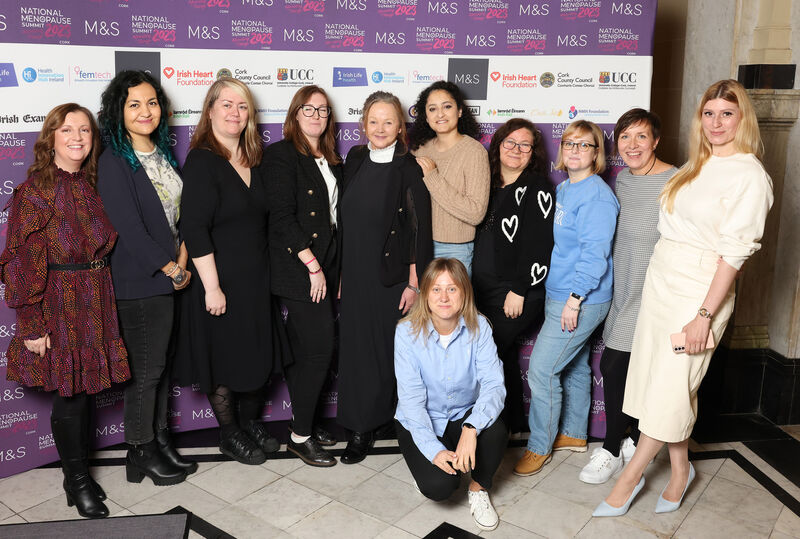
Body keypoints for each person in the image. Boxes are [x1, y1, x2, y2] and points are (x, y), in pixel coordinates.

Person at [594, 80, 773, 516]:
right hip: (661, 281)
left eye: (726, 114)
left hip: (698, 291)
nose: (716, 122)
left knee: (673, 385)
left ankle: (630, 477)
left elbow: (735, 255)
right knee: (661, 381)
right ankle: (680, 470)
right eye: (708, 113)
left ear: (742, 119)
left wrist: (704, 315)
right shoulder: (697, 164)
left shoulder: (751, 174)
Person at [0, 104, 130, 518]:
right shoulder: (35, 190)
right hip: (58, 298)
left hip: (96, 295)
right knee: (70, 396)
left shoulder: (93, 184)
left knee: (88, 391)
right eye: (67, 130)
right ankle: (76, 482)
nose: (77, 137)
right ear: (50, 138)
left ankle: (81, 472)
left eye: (85, 131)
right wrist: (32, 325)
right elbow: (18, 262)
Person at [97, 70, 196, 486]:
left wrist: (183, 258)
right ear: (119, 111)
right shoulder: (114, 161)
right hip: (140, 281)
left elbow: (179, 217)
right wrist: (171, 268)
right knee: (147, 373)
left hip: (170, 276)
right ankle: (139, 451)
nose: (145, 111)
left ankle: (157, 440)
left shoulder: (162, 153)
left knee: (161, 368)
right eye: (134, 104)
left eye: (152, 102)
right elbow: (129, 228)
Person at [176, 77, 278, 466]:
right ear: (210, 111)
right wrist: (212, 287)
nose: (235, 112)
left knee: (255, 354)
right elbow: (194, 228)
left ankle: (249, 422)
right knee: (225, 358)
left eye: (242, 106)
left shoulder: (254, 159)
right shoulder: (203, 161)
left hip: (256, 279)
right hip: (219, 279)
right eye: (226, 104)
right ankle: (229, 432)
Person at [513, 120, 619, 477]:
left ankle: (539, 445)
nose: (575, 150)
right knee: (573, 365)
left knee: (543, 369)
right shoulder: (567, 188)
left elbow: (594, 255)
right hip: (559, 291)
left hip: (581, 297)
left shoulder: (597, 196)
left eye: (584, 145)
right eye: (569, 143)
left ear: (596, 153)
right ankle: (574, 434)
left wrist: (575, 299)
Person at [577, 109, 677, 484]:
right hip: (623, 289)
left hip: (655, 292)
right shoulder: (622, 181)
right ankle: (634, 438)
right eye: (625, 137)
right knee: (630, 369)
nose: (632, 145)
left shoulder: (677, 180)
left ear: (656, 141)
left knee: (615, 366)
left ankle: (611, 448)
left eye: (641, 137)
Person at [337, 91, 433, 464]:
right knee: (356, 351)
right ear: (363, 124)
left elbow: (418, 228)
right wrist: (341, 271)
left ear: (400, 128)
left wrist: (414, 282)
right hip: (354, 271)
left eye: (388, 121)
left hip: (390, 276)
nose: (380, 128)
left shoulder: (409, 167)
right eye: (373, 121)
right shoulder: (355, 158)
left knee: (383, 352)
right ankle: (359, 425)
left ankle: (378, 423)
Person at [394, 258, 507, 532]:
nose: (444, 297)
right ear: (425, 294)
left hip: (462, 413)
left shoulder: (480, 326)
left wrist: (471, 427)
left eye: (452, 289)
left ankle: (479, 489)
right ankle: (427, 471)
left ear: (464, 292)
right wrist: (434, 451)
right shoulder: (406, 333)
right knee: (440, 487)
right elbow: (411, 402)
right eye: (436, 289)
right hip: (421, 419)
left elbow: (494, 385)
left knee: (497, 429)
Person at [262, 85, 342, 467]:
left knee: (302, 352)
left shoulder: (329, 157)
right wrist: (312, 266)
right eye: (308, 109)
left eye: (323, 110)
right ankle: (300, 437)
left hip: (326, 265)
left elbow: (333, 220)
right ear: (294, 114)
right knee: (319, 349)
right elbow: (281, 217)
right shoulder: (281, 155)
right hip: (300, 267)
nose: (316, 115)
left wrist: (332, 268)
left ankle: (303, 420)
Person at [473, 118, 554, 434]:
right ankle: (511, 426)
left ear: (533, 152)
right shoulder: (487, 182)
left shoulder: (537, 187)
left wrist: (520, 289)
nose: (516, 149)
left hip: (517, 291)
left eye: (525, 144)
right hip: (482, 289)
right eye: (510, 142)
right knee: (500, 360)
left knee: (488, 352)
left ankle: (495, 427)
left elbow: (540, 242)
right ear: (498, 144)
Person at [410, 81, 490, 276]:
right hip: (418, 247)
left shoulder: (474, 152)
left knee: (452, 307)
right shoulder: (419, 151)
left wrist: (433, 178)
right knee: (421, 307)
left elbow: (476, 213)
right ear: (426, 116)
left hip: (455, 250)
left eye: (447, 106)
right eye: (432, 109)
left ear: (460, 111)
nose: (440, 114)